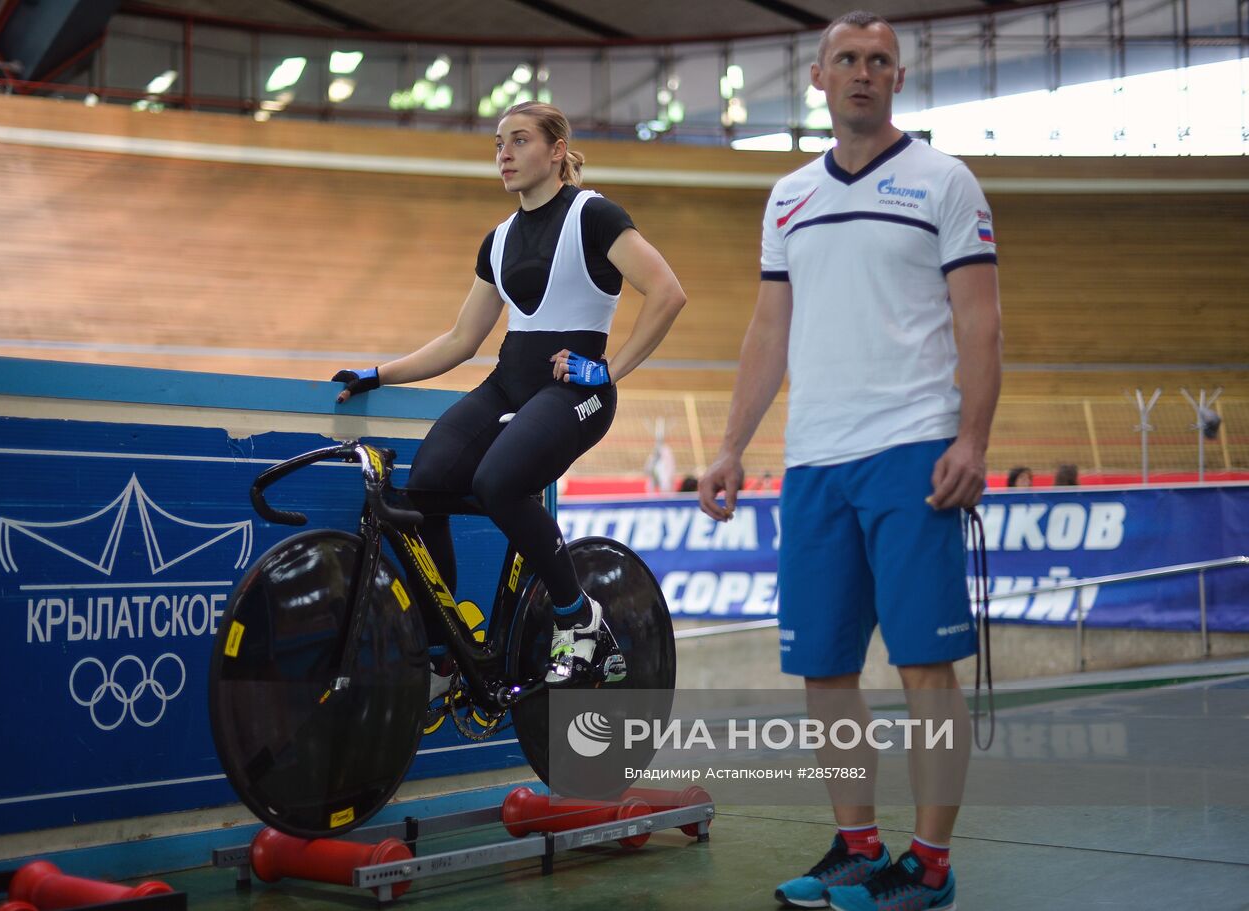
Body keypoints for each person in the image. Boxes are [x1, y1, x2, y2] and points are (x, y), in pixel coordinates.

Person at [697, 11, 1000, 911]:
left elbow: (980, 320)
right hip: (815, 462)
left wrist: (972, 437)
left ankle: (930, 867)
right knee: (823, 666)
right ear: (820, 79)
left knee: (923, 668)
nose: (864, 73)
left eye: (880, 61)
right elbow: (768, 329)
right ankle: (858, 849)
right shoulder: (788, 194)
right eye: (848, 61)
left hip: (914, 452)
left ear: (898, 80)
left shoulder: (944, 181)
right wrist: (729, 445)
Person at [333, 101, 687, 688]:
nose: (504, 154)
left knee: (497, 482)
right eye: (499, 143)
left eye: (519, 141)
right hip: (509, 383)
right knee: (425, 485)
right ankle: (447, 645)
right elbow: (461, 339)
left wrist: (608, 371)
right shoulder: (496, 241)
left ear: (555, 151)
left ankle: (581, 620)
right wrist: (378, 373)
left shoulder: (593, 215)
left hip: (575, 392)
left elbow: (668, 293)